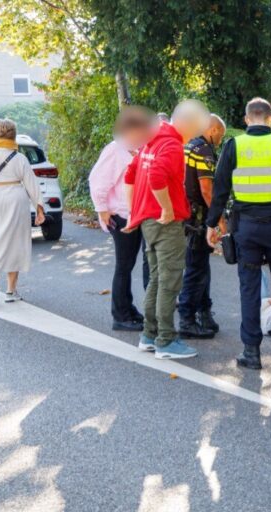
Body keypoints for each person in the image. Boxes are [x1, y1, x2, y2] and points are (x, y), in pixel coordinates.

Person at [206, 97, 271, 370]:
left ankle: (252, 353)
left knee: (249, 288)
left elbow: (219, 190)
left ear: (247, 119)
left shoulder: (234, 146)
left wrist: (211, 224)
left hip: (247, 228)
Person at [124, 99, 210, 360]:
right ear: (189, 123)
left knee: (157, 279)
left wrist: (135, 211)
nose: (197, 134)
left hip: (148, 221)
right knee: (170, 280)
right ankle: (166, 340)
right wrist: (167, 208)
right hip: (165, 223)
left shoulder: (153, 140)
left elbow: (130, 175)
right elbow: (156, 176)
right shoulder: (172, 144)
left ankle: (149, 335)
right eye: (198, 128)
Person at [89, 106, 155, 331]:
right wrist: (102, 210)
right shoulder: (115, 150)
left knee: (130, 264)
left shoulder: (137, 149)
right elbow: (97, 181)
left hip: (137, 214)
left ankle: (128, 308)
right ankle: (120, 315)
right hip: (121, 215)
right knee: (124, 266)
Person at [0, 119, 46, 302]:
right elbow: (31, 184)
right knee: (15, 242)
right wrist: (39, 207)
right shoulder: (19, 158)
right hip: (15, 199)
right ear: (14, 135)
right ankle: (11, 291)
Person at [178, 114, 227, 339]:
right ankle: (187, 319)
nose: (220, 140)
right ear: (213, 130)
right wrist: (218, 219)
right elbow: (207, 189)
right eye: (220, 135)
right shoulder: (204, 151)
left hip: (186, 215)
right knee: (196, 269)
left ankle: (204, 312)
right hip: (198, 219)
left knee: (200, 266)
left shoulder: (188, 145)